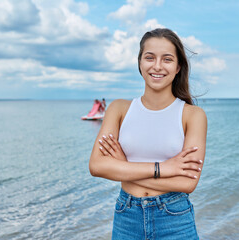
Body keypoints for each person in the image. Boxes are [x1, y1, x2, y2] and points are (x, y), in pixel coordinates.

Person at [89, 28, 207, 239]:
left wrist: (123, 168)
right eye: (149, 57)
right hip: (127, 217)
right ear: (140, 63)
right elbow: (97, 166)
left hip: (174, 218)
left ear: (178, 66)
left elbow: (187, 183)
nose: (157, 66)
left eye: (167, 59)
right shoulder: (119, 109)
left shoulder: (193, 115)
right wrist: (162, 168)